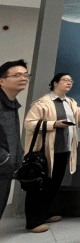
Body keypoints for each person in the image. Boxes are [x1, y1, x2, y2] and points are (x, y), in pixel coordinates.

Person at [23, 73, 80, 233]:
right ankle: (33, 222)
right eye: (65, 80)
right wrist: (54, 124)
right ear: (55, 83)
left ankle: (45, 213)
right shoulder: (42, 103)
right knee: (39, 186)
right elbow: (29, 124)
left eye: (71, 80)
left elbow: (79, 114)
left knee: (54, 184)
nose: (69, 82)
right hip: (44, 152)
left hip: (63, 151)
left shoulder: (70, 102)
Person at [0, 60, 29, 222]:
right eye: (17, 75)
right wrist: (4, 158)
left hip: (5, 170)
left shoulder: (10, 102)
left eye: (25, 75)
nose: (23, 78)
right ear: (2, 81)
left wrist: (17, 158)